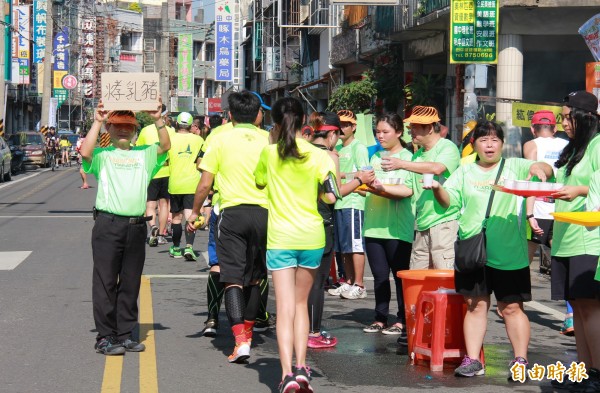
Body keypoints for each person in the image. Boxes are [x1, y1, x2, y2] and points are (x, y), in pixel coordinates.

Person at [420, 121, 553, 379]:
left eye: (494, 140)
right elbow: (449, 203)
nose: (489, 145)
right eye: (483, 140)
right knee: (475, 305)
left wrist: (539, 166)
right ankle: (472, 360)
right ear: (474, 145)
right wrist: (438, 188)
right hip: (473, 249)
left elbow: (545, 169)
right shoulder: (465, 171)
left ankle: (521, 360)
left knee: (512, 307)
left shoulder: (515, 165)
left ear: (502, 143)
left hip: (509, 251)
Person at [254, 97, 338, 393]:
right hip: (312, 236)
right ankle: (303, 367)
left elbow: (259, 183)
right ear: (305, 122)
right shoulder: (318, 155)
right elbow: (331, 196)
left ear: (275, 124)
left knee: (286, 306)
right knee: (302, 304)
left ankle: (287, 373)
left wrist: (273, 140)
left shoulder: (268, 153)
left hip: (280, 238)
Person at [80, 100, 170, 356]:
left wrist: (157, 118)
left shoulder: (145, 154)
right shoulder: (103, 156)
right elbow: (85, 153)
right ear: (110, 127)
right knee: (106, 282)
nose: (123, 130)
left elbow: (165, 146)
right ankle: (105, 336)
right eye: (117, 126)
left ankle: (125, 333)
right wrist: (97, 121)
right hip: (108, 225)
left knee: (130, 282)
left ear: (134, 130)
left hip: (135, 226)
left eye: (128, 126)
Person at [187, 91, 269, 363]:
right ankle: (248, 331)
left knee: (232, 277)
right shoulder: (269, 139)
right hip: (265, 214)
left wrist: (196, 212)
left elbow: (204, 183)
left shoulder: (219, 139)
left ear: (230, 115)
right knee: (255, 277)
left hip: (231, 213)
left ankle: (241, 341)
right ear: (258, 113)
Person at [550, 91, 600, 391]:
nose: (564, 123)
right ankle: (583, 369)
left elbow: (596, 187)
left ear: (583, 118)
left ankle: (596, 370)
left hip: (588, 237)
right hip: (568, 236)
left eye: (567, 117)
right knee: (579, 307)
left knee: (591, 307)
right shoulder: (575, 149)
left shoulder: (597, 145)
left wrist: (576, 192)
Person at [381, 105, 460, 270]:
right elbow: (408, 189)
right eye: (411, 127)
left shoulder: (447, 147)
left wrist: (401, 164)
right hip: (421, 224)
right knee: (419, 277)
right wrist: (377, 188)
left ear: (430, 128)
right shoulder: (417, 155)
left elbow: (437, 168)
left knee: (444, 276)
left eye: (415, 127)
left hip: (444, 223)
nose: (411, 131)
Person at [360, 113, 414, 344]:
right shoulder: (375, 157)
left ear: (399, 132)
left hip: (398, 228)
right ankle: (380, 317)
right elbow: (366, 188)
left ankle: (402, 319)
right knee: (380, 277)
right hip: (373, 226)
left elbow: (407, 191)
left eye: (385, 132)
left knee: (400, 277)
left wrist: (381, 189)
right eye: (377, 132)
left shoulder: (409, 159)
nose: (380, 136)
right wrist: (363, 186)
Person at [522, 110, 571, 335]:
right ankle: (570, 316)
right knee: (565, 260)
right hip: (562, 208)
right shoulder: (567, 144)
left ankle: (516, 302)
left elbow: (532, 180)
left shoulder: (531, 145)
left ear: (533, 128)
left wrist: (529, 214)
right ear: (555, 127)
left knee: (524, 258)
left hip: (539, 208)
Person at [328, 109, 370, 300]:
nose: (343, 128)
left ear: (354, 127)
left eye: (347, 125)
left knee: (355, 245)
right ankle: (348, 280)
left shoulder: (358, 148)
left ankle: (359, 284)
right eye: (340, 125)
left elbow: (365, 175)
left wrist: (344, 179)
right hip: (339, 202)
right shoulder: (338, 150)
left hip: (354, 202)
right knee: (343, 246)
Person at [136, 104, 176, 247]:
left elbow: (138, 150)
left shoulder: (145, 131)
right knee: (164, 204)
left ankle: (152, 227)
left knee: (150, 204)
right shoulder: (171, 131)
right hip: (167, 171)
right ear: (165, 114)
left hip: (150, 172)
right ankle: (161, 234)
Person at [167, 112, 204, 260]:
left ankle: (176, 248)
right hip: (192, 182)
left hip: (175, 182)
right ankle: (189, 247)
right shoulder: (199, 140)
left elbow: (165, 161)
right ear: (191, 126)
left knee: (176, 218)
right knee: (190, 216)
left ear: (176, 124)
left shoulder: (170, 139)